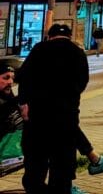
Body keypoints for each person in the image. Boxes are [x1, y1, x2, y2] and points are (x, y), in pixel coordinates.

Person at [17, 23, 89, 194]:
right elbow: (82, 82)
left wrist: (24, 103)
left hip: (37, 118)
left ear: (49, 36)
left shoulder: (39, 49)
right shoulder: (77, 52)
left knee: (35, 168)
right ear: (69, 36)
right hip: (66, 119)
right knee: (62, 169)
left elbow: (23, 77)